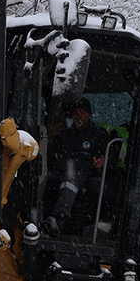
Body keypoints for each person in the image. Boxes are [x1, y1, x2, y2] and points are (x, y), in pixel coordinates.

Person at [46, 98, 109, 234]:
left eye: (82, 112)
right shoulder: (65, 135)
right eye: (75, 113)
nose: (78, 116)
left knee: (70, 178)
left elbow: (106, 157)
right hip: (63, 169)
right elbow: (53, 157)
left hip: (86, 173)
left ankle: (59, 218)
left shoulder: (99, 134)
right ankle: (35, 217)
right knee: (42, 176)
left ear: (89, 115)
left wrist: (103, 160)